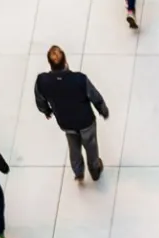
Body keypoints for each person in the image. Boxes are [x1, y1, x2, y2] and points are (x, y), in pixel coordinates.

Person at [35, 46, 108, 182]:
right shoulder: (79, 79)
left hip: (65, 122)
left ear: (49, 63)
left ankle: (78, 172)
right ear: (65, 60)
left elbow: (40, 100)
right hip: (85, 121)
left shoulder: (42, 81)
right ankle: (95, 170)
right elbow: (95, 96)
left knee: (73, 147)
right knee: (91, 146)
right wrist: (103, 110)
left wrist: (47, 111)